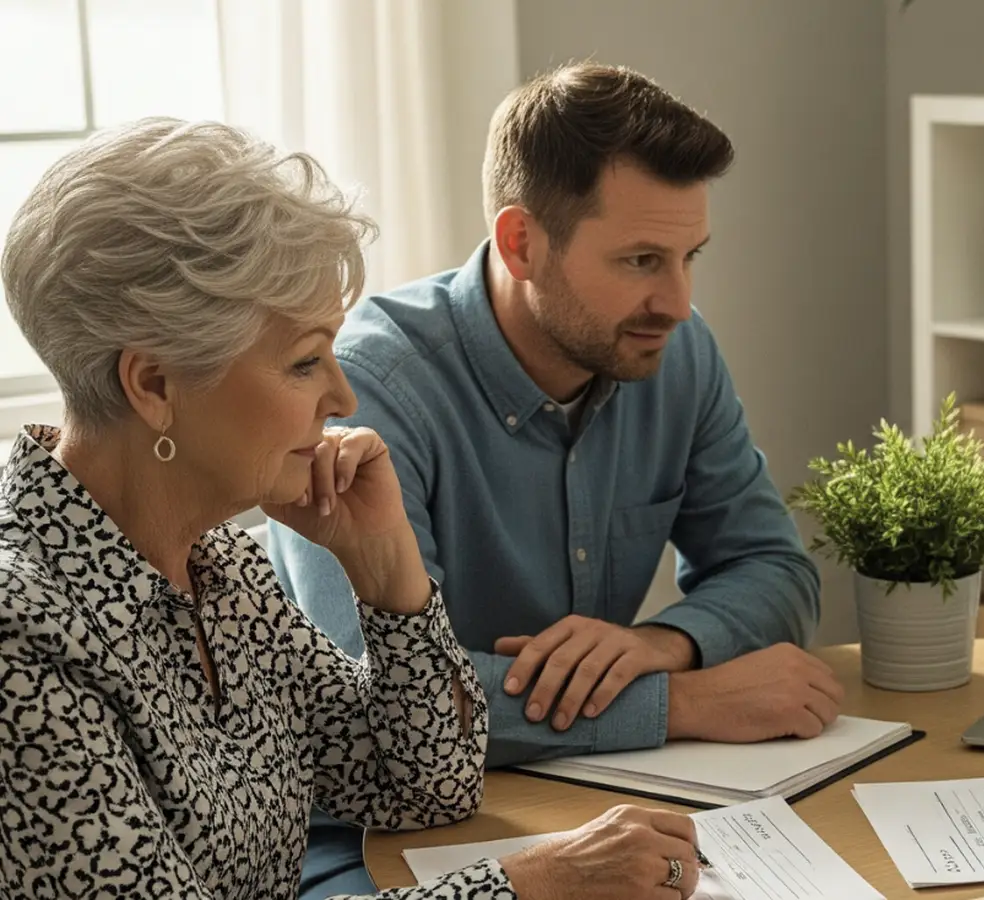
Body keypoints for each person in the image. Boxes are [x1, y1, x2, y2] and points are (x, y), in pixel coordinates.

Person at [0, 117, 710, 900]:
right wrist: (530, 885)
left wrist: (385, 569)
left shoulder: (219, 570)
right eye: (305, 362)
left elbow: (423, 787)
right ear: (155, 386)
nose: (341, 397)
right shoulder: (22, 632)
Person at [267, 63, 842, 895]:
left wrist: (656, 645)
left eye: (690, 257)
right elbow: (376, 708)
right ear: (520, 242)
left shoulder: (676, 354)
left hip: (593, 796)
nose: (677, 302)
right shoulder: (368, 393)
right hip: (367, 842)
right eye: (642, 260)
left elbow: (777, 571)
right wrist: (686, 700)